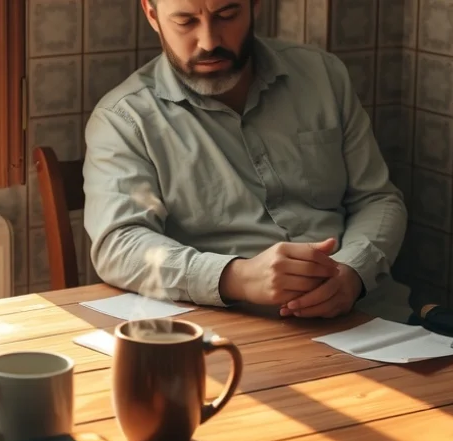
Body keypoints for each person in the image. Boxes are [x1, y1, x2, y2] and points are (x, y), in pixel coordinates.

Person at [83, 0, 409, 320]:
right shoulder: (124, 119)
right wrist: (237, 278)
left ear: (255, 5)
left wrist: (353, 270)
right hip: (235, 328)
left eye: (227, 15)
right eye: (185, 21)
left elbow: (377, 199)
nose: (209, 41)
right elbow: (119, 244)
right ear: (152, 15)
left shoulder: (323, 75)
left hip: (368, 313)